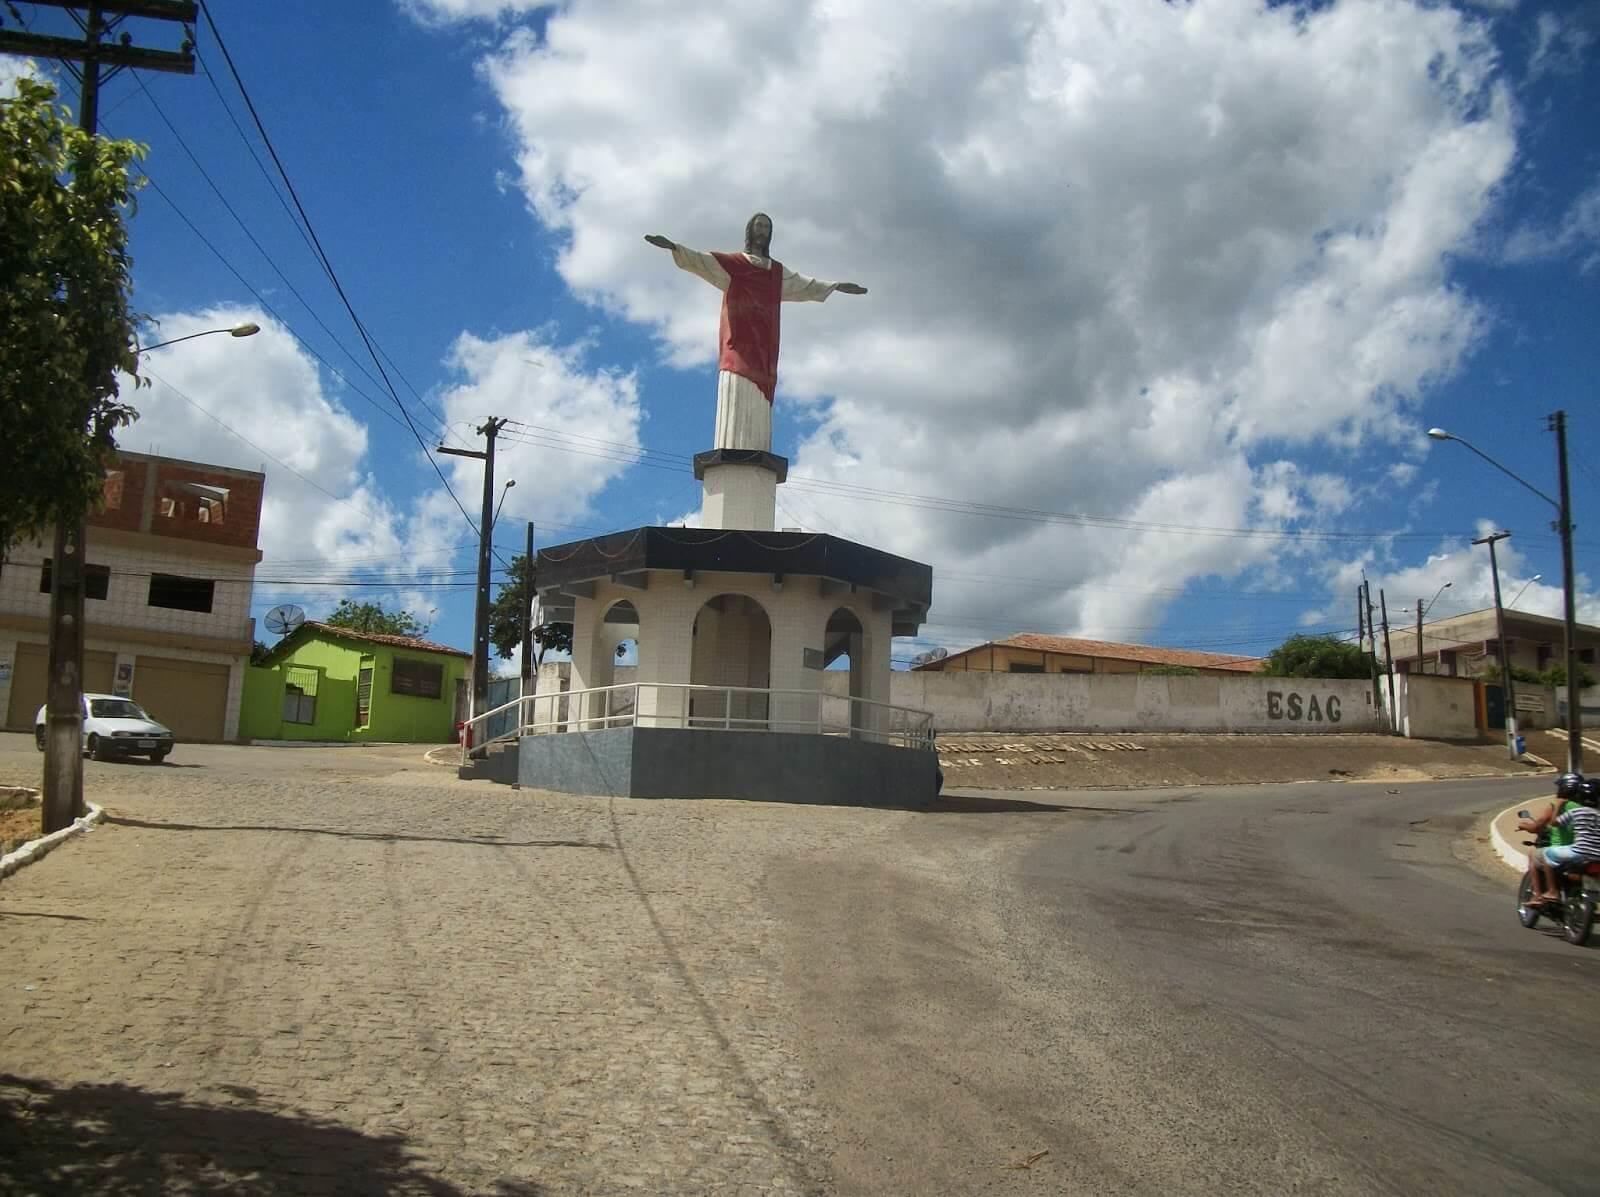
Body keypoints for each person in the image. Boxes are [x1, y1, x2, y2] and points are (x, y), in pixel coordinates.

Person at [645, 213, 867, 453]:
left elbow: (806, 284)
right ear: (749, 230)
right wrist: (674, 248)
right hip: (738, 343)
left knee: (760, 400)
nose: (762, 230)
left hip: (764, 345)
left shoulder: (776, 273)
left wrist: (836, 287)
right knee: (735, 384)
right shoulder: (735, 264)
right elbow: (703, 261)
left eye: (767, 227)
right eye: (759, 226)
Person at [1518, 772, 1597, 904]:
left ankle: (1538, 895)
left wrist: (1523, 825)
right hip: (1588, 855)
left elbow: (1537, 827)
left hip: (1566, 849)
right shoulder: (1586, 808)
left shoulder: (1559, 806)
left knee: (1534, 855)